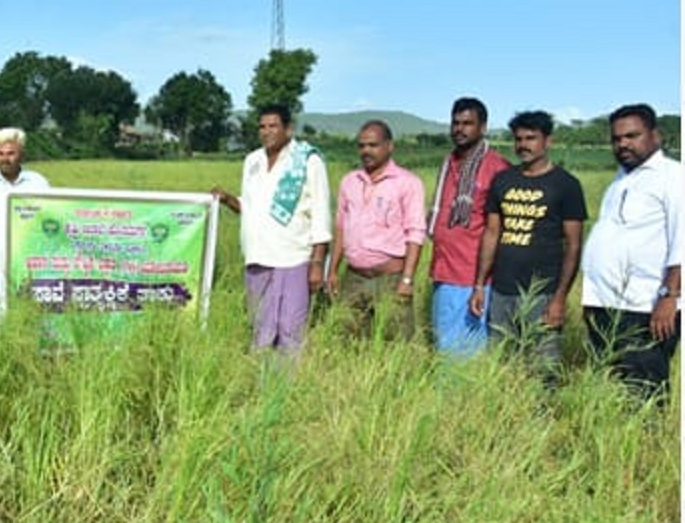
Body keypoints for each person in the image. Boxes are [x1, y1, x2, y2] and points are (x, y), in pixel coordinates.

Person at [470, 110, 587, 377]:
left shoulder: (566, 185)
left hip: (542, 294)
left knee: (543, 368)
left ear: (548, 141)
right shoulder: (503, 181)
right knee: (501, 364)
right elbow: (492, 233)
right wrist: (479, 285)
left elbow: (573, 245)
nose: (523, 145)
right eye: (519, 139)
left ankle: (543, 406)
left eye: (531, 138)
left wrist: (559, 298)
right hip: (502, 290)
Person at [212, 103, 331, 352]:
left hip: (293, 258)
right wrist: (227, 199)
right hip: (257, 256)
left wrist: (317, 264)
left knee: (290, 329)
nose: (266, 132)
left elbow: (321, 215)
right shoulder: (252, 161)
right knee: (259, 326)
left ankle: (289, 377)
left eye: (273, 126)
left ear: (288, 129)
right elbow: (251, 207)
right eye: (262, 127)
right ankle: (261, 374)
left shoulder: (307, 161)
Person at [581, 103, 680, 400]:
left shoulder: (673, 177)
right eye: (616, 138)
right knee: (609, 384)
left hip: (645, 305)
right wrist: (593, 298)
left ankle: (647, 431)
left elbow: (682, 241)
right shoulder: (622, 178)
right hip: (607, 303)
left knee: (642, 389)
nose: (623, 144)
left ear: (655, 136)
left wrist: (669, 297)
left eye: (632, 136)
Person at [325, 120, 426, 341]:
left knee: (395, 343)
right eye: (361, 146)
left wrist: (407, 280)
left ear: (389, 146)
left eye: (373, 145)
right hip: (354, 277)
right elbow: (341, 227)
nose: (366, 151)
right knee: (348, 341)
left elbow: (415, 234)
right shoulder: (350, 182)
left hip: (390, 279)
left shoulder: (407, 183)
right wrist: (332, 271)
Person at [426, 97, 510, 356]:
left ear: (483, 127)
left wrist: (480, 283)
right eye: (456, 123)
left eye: (467, 123)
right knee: (444, 344)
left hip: (471, 275)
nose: (459, 129)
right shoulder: (449, 162)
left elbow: (500, 228)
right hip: (443, 268)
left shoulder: (496, 167)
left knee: (464, 351)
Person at [0, 127, 50, 308]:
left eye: (11, 153)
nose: (5, 159)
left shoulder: (38, 183)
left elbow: (48, 222)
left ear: (21, 154)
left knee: (25, 317)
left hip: (28, 270)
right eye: (0, 154)